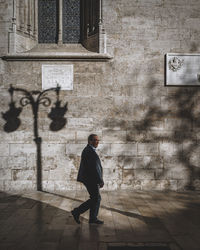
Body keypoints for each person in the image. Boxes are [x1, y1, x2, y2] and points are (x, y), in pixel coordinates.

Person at [71, 134, 104, 224]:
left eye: (98, 140)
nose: (97, 142)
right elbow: (93, 168)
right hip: (90, 179)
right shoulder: (89, 151)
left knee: (95, 198)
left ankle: (92, 218)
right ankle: (77, 212)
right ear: (89, 141)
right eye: (94, 140)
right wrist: (100, 180)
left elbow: (96, 167)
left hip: (90, 178)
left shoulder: (90, 150)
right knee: (96, 198)